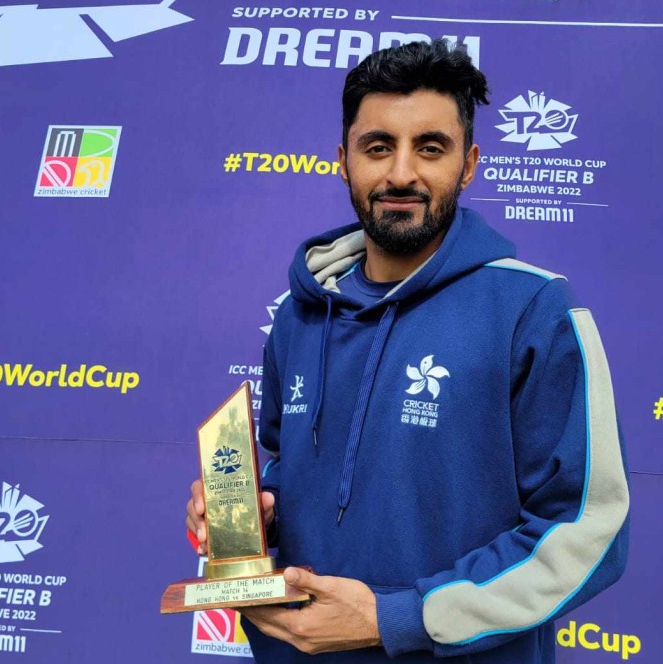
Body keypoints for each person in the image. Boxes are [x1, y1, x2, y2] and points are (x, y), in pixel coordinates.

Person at [186, 39, 629, 663]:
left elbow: (586, 528)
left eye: (430, 147)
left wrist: (401, 617)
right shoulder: (299, 314)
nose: (400, 174)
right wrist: (248, 518)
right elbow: (300, 474)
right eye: (377, 147)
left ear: (469, 163)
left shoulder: (535, 309)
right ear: (342, 160)